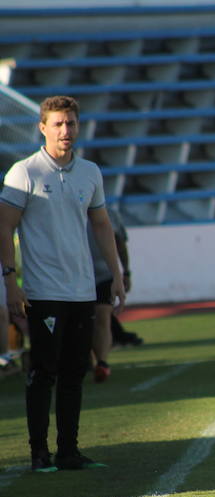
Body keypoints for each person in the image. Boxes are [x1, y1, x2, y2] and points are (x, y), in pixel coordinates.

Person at [0, 95, 126, 471]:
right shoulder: (24, 172)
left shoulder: (90, 172)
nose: (65, 131)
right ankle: (39, 453)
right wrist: (10, 280)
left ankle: (68, 451)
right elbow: (4, 226)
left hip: (82, 290)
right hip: (41, 290)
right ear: (42, 127)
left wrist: (116, 274)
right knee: (42, 373)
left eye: (70, 123)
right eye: (58, 124)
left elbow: (102, 225)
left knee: (75, 372)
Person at [89, 204, 133, 382]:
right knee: (83, 320)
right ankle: (88, 360)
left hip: (105, 274)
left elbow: (121, 243)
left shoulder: (109, 213)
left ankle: (102, 363)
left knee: (102, 315)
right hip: (77, 275)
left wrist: (125, 272)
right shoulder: (66, 211)